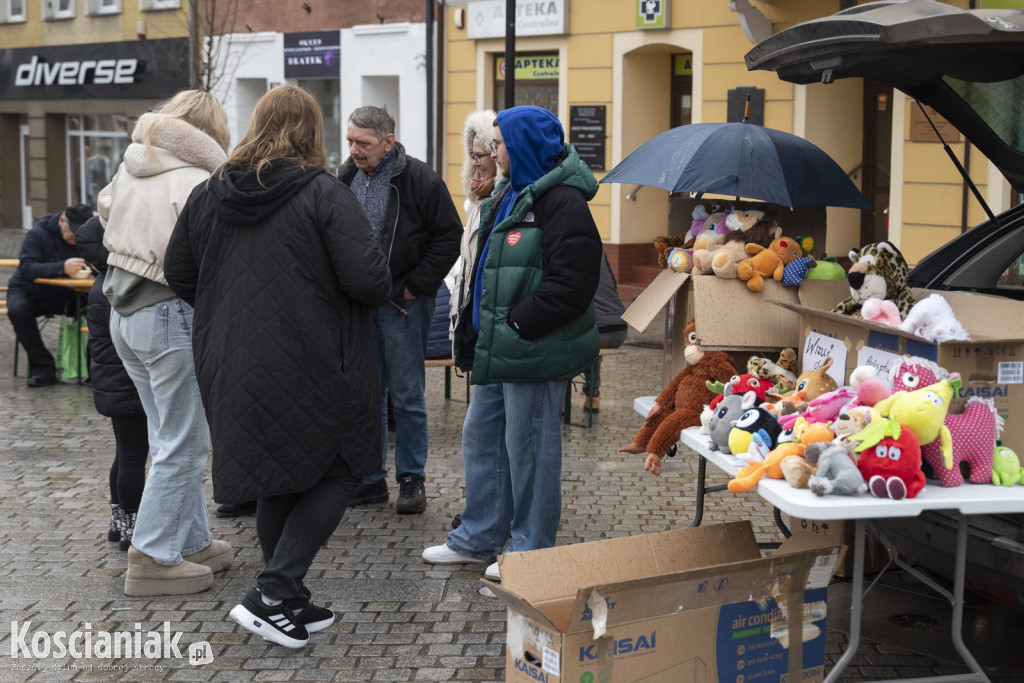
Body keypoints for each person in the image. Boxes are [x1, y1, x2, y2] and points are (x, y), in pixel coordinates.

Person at [165, 84, 392, 649]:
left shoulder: (210, 190)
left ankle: (286, 599)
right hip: (314, 355)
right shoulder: (322, 192)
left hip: (230, 358)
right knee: (343, 465)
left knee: (276, 472)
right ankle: (273, 590)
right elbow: (369, 279)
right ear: (312, 132)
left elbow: (177, 269)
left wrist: (227, 314)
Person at [422, 106, 603, 581]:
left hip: (532, 350)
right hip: (498, 349)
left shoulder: (563, 202)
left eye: (499, 143)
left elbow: (574, 283)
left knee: (530, 453)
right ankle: (478, 537)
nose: (492, 151)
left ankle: (529, 549)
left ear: (522, 146)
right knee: (481, 439)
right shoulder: (510, 193)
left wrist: (520, 324)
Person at [98, 89, 232, 597]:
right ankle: (153, 555)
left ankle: (190, 541)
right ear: (211, 132)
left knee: (167, 433)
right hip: (170, 312)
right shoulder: (199, 179)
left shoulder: (134, 163)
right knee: (186, 440)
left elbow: (104, 213)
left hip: (123, 309)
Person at [337, 106, 462, 514]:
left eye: (363, 143)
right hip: (359, 304)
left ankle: (411, 478)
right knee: (365, 395)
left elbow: (449, 236)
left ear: (387, 143)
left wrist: (415, 287)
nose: (354, 150)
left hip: (402, 305)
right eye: (350, 141)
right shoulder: (346, 175)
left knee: (406, 395)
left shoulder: (421, 179)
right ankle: (371, 479)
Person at [75, 215, 149, 552]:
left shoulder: (101, 283)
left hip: (112, 383)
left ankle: (119, 522)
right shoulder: (116, 288)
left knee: (125, 453)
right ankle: (131, 526)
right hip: (127, 384)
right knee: (134, 456)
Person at [5, 204, 94, 387]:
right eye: (74, 232)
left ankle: (94, 369)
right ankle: (43, 367)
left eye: (81, 233)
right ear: (62, 221)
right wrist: (62, 267)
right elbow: (27, 268)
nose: (77, 239)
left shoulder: (90, 237)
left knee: (102, 309)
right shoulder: (38, 234)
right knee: (17, 310)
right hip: (31, 291)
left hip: (71, 294)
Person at [450, 109, 501, 340]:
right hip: (470, 319)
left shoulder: (502, 203)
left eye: (480, 155)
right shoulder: (474, 203)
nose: (474, 162)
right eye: (472, 155)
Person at [580, 251, 628, 413]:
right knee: (591, 350)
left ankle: (561, 401)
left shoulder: (565, 250)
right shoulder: (599, 251)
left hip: (598, 330)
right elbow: (613, 283)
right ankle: (593, 396)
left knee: (564, 343)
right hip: (619, 328)